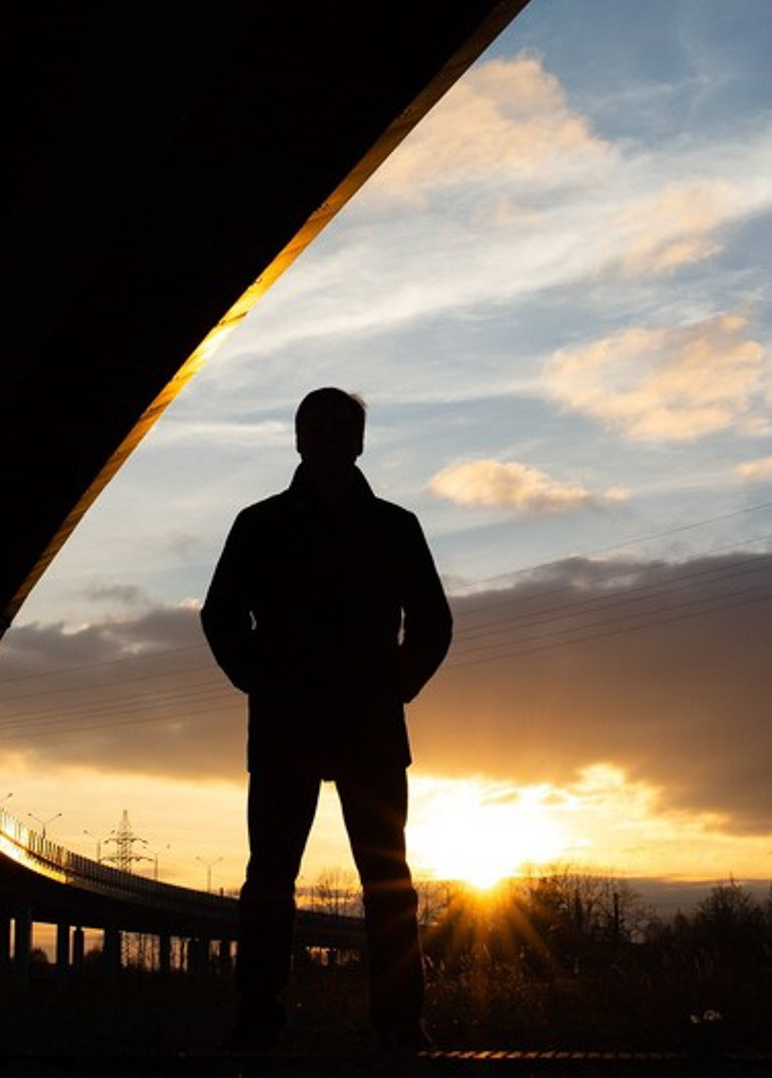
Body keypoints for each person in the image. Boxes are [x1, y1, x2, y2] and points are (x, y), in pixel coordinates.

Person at [201, 387, 453, 1050]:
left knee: (387, 881)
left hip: (369, 725)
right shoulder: (259, 525)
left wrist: (398, 682)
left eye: (343, 427)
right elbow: (220, 615)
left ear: (360, 441)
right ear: (298, 438)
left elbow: (433, 620)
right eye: (318, 426)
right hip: (287, 725)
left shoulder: (395, 527)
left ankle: (400, 1022)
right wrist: (260, 678)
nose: (331, 437)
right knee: (270, 877)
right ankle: (258, 1018)